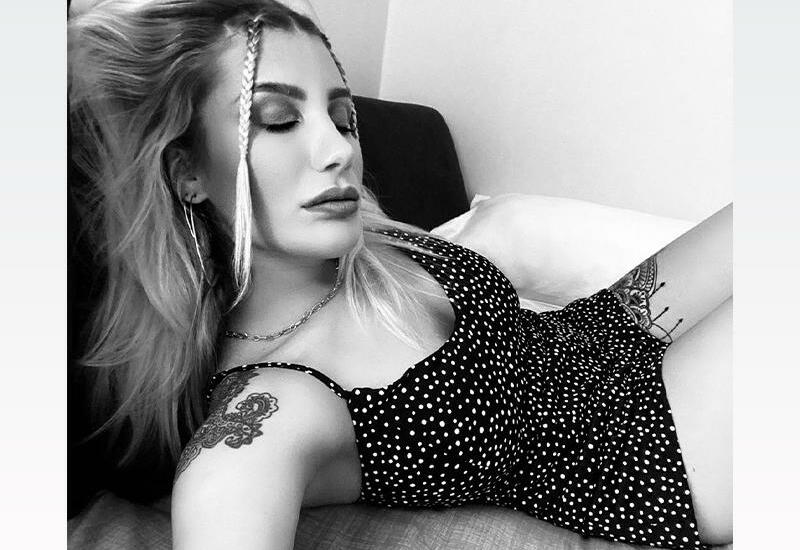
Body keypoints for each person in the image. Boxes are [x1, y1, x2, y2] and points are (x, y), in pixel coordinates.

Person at [68, 1, 733, 549]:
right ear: (186, 171)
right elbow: (225, 494)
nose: (336, 149)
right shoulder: (274, 406)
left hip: (597, 330)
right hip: (642, 452)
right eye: (278, 120)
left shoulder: (366, 248)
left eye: (341, 117)